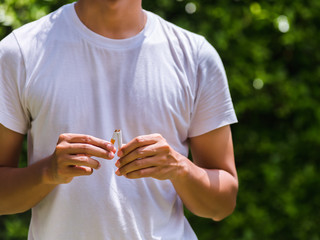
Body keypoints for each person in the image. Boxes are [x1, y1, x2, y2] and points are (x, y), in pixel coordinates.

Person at [0, 0, 238, 239]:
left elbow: (222, 203)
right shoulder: (20, 52)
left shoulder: (195, 57)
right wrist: (47, 172)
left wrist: (180, 168)